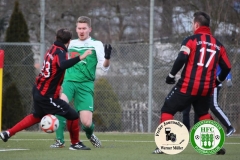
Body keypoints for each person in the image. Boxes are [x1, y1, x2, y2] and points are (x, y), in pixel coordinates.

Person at [0, 28, 93, 150]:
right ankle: (75, 143)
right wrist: (81, 57)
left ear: (56, 38)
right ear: (69, 41)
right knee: (73, 115)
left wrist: (58, 87)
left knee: (36, 116)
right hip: (46, 95)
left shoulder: (52, 49)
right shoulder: (60, 52)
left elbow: (54, 71)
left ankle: (8, 133)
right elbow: (63, 65)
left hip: (38, 89)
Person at [152, 11, 231, 154]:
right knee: (203, 114)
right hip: (207, 88)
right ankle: (214, 146)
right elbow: (227, 67)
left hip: (188, 85)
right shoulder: (219, 45)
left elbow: (182, 58)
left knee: (167, 109)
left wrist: (171, 75)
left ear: (196, 24)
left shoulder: (191, 40)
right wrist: (217, 81)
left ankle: (165, 145)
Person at [50, 16, 112, 149]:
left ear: (90, 29)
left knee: (87, 123)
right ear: (76, 29)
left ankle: (90, 135)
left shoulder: (97, 44)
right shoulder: (70, 44)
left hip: (86, 84)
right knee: (60, 105)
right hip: (69, 81)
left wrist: (107, 58)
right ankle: (59, 141)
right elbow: (60, 61)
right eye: (79, 28)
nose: (82, 31)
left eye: (84, 28)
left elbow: (104, 67)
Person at [182, 66, 235, 136]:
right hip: (204, 84)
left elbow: (225, 67)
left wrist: (228, 79)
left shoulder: (216, 56)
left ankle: (229, 127)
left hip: (215, 83)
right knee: (200, 107)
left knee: (213, 106)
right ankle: (198, 129)